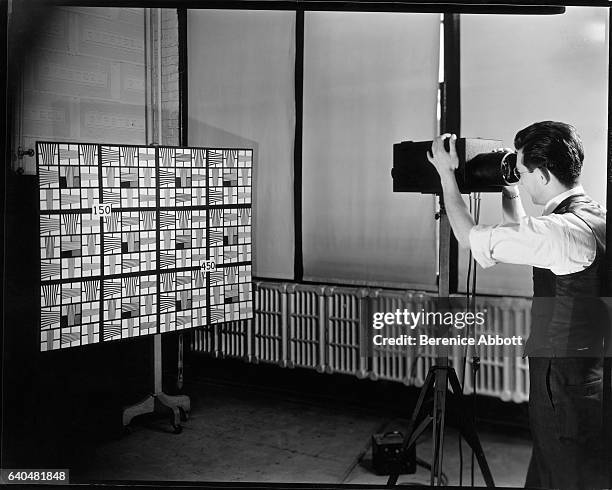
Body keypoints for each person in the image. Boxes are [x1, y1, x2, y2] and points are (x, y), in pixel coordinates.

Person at [426, 121, 608, 489]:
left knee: (565, 476)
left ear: (542, 175)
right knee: (558, 469)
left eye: (522, 173)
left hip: (562, 387)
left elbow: (470, 238)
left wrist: (447, 176)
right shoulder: (591, 218)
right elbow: (529, 239)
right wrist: (509, 192)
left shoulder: (561, 232)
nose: (521, 179)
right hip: (591, 378)